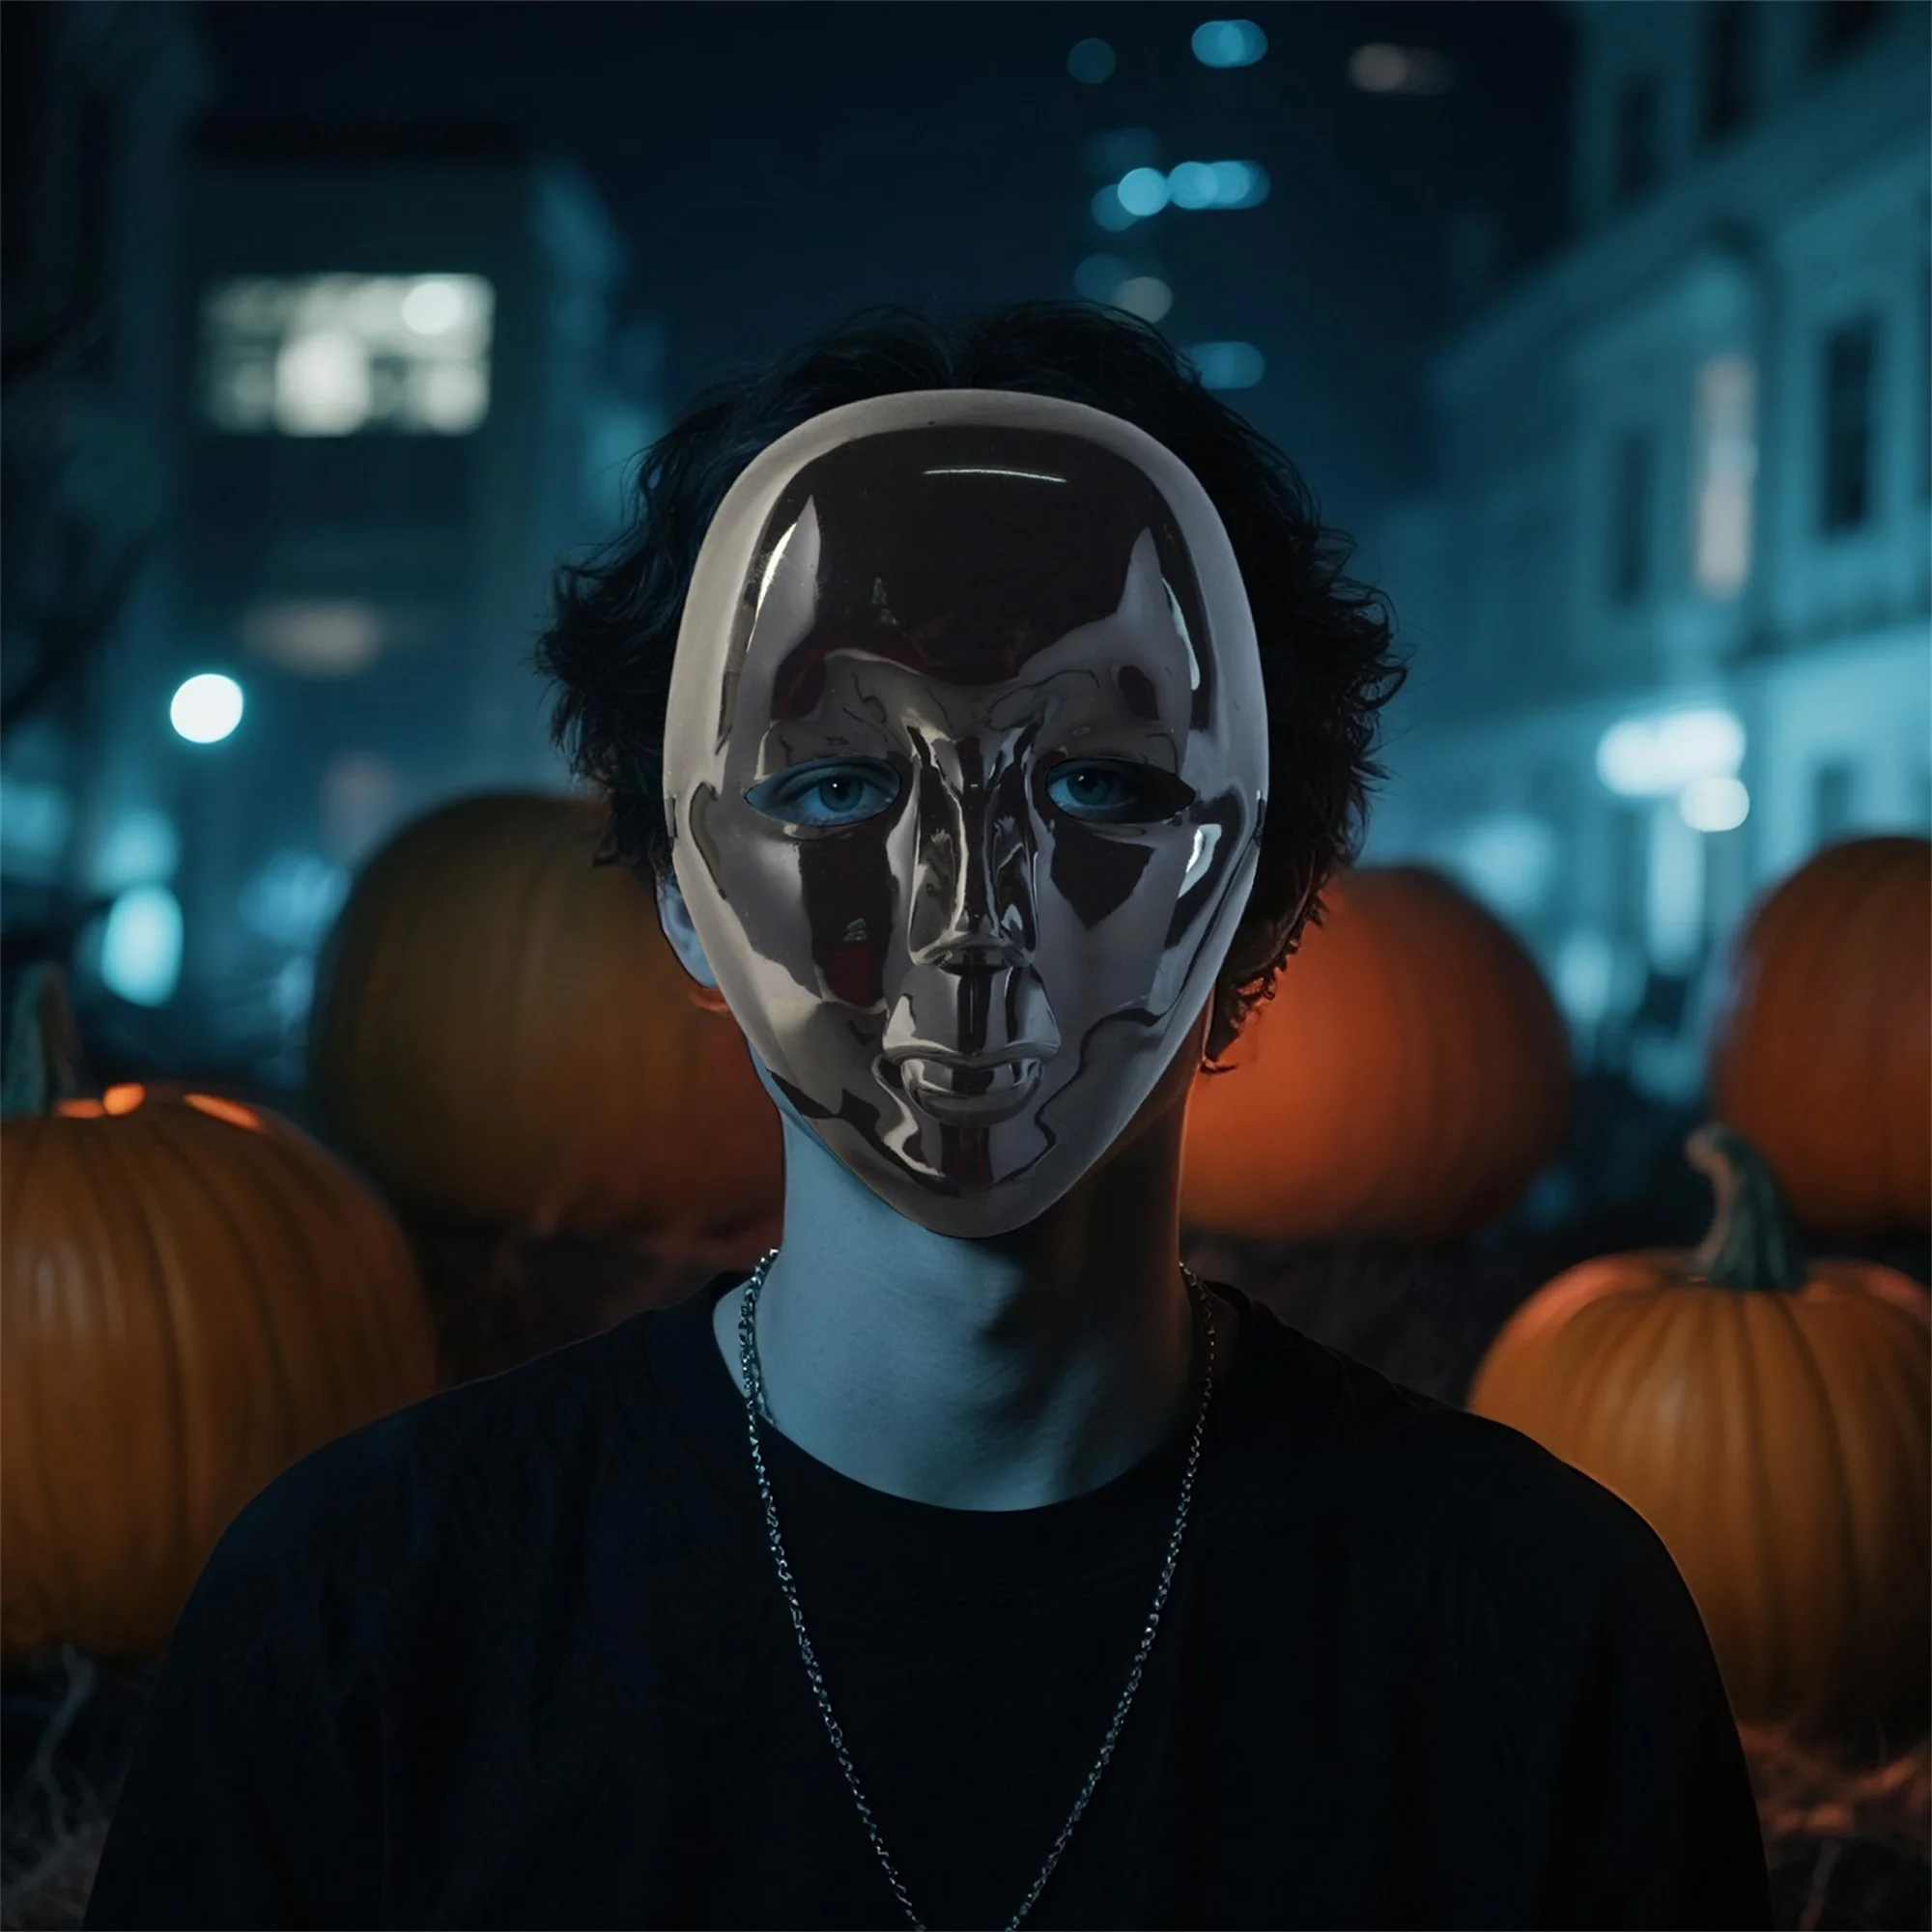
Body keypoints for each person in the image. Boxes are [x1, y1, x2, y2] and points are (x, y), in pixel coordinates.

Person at [85, 305, 1774, 1931]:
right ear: (681, 889)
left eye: (1100, 785)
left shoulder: (1542, 1638)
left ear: (1261, 888)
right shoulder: (361, 1615)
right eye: (834, 786)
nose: (968, 912)